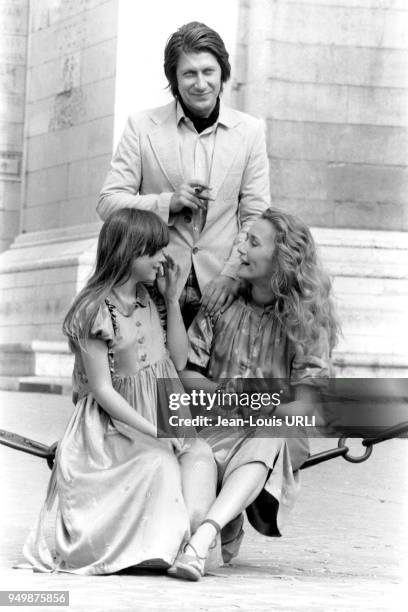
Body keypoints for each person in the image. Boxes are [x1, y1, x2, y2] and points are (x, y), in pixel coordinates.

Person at [23, 208, 217, 575]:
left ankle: (189, 548)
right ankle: (154, 548)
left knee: (201, 457)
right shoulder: (96, 309)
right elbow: (102, 390)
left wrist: (172, 300)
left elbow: (177, 359)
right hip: (113, 429)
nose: (164, 258)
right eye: (155, 250)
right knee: (157, 464)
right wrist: (154, 431)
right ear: (129, 253)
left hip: (162, 412)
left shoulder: (152, 299)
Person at [169, 208, 339, 581]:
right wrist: (222, 393)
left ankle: (206, 536)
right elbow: (186, 375)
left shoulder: (306, 320)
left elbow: (307, 401)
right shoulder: (222, 304)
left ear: (282, 258)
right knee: (195, 508)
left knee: (271, 430)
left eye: (253, 242)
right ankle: (217, 527)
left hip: (272, 432)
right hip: (214, 426)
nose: (241, 250)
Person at [97, 21, 270, 327]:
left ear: (222, 73)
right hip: (152, 287)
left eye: (208, 71)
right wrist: (168, 203)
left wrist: (232, 275)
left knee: (212, 377)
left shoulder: (251, 131)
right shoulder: (141, 126)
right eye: (189, 73)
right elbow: (108, 204)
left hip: (222, 291)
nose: (200, 83)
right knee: (157, 376)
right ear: (174, 79)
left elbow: (256, 215)